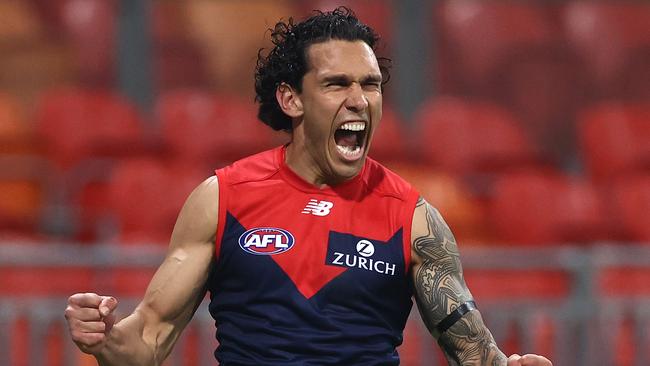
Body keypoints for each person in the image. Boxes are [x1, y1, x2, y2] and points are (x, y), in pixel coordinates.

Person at [64, 7, 552, 366]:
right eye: (338, 84)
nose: (360, 100)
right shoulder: (222, 198)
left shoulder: (413, 216)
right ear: (291, 99)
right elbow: (147, 340)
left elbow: (473, 353)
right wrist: (105, 338)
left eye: (372, 84)